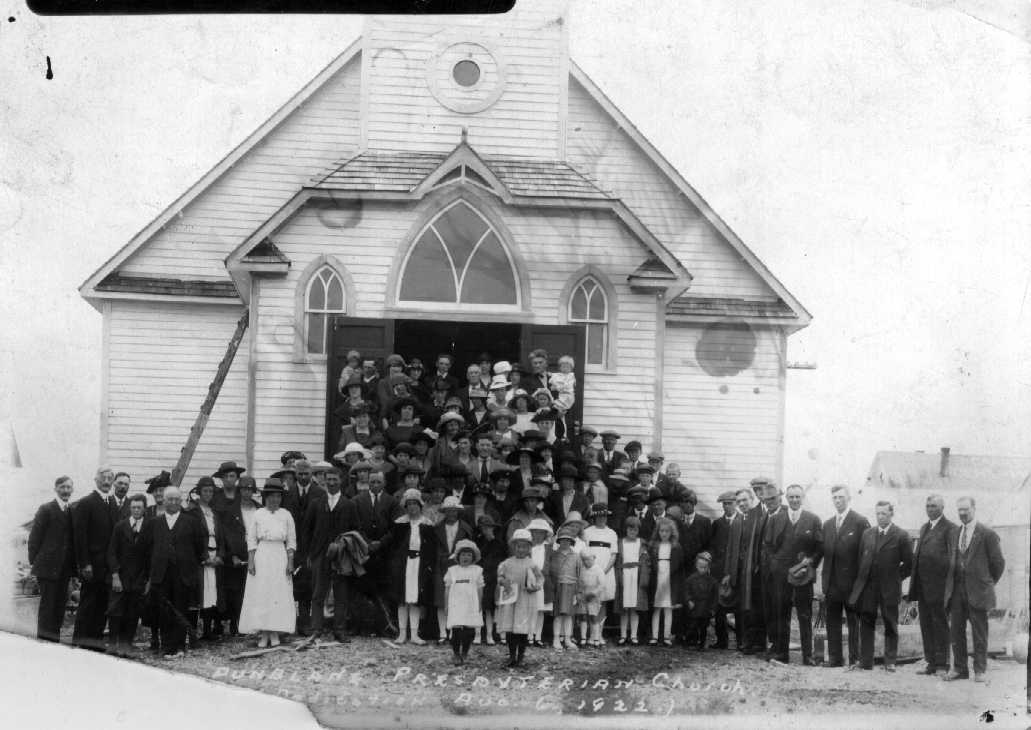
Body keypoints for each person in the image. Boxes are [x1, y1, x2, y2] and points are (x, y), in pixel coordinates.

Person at [943, 497, 1005, 683]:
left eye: (966, 510)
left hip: (978, 591)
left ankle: (980, 670)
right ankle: (960, 669)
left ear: (974, 509)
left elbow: (998, 563)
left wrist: (986, 583)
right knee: (956, 632)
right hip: (956, 592)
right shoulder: (954, 532)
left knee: (979, 632)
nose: (962, 513)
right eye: (960, 510)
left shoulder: (987, 534)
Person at [760, 484, 823, 665]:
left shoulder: (813, 519)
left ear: (802, 498)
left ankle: (807, 655)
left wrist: (810, 563)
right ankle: (782, 653)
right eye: (791, 497)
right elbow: (768, 546)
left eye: (798, 496)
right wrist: (776, 566)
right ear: (786, 498)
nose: (794, 500)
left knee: (804, 614)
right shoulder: (776, 519)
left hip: (803, 576)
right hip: (781, 577)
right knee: (782, 614)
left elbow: (820, 548)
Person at [848, 500, 913, 672]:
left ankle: (890, 661)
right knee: (866, 622)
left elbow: (909, 564)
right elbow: (861, 558)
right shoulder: (867, 534)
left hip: (889, 587)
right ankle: (866, 661)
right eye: (877, 513)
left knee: (890, 623)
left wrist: (895, 578)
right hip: (869, 587)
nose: (880, 517)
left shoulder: (901, 535)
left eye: (884, 513)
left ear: (891, 514)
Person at [145, 486, 207, 659]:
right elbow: (146, 548)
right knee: (164, 610)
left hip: (183, 574)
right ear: (163, 501)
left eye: (176, 499)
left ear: (181, 502)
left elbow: (199, 547)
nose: (172, 502)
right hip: (161, 574)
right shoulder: (154, 523)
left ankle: (180, 646)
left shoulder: (191, 522)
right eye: (169, 499)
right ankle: (167, 647)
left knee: (180, 609)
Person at [302, 467, 360, 643]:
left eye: (335, 479)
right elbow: (307, 531)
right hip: (320, 554)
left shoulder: (349, 504)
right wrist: (309, 554)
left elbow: (356, 530)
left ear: (340, 480)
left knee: (341, 594)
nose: (332, 483)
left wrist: (344, 545)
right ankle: (316, 629)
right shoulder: (316, 503)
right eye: (329, 479)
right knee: (318, 593)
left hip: (341, 556)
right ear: (324, 481)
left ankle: (339, 630)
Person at [238, 479, 297, 649]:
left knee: (277, 594)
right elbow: (251, 539)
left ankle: (275, 632)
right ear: (265, 497)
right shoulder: (258, 514)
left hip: (279, 555)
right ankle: (264, 633)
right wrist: (251, 560)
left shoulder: (286, 515)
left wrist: (290, 561)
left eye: (278, 496)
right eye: (271, 496)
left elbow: (291, 540)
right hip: (262, 555)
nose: (274, 500)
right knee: (262, 593)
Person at [820, 484, 870, 668]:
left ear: (849, 498)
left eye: (841, 497)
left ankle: (855, 659)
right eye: (835, 498)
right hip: (832, 584)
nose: (838, 500)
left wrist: (861, 584)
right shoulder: (827, 525)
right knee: (832, 621)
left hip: (852, 585)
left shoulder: (860, 521)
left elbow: (866, 555)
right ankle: (834, 658)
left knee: (853, 623)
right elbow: (822, 552)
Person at [908, 493, 957, 676]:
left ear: (942, 508)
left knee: (940, 625)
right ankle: (930, 662)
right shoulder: (924, 528)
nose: (930, 509)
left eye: (934, 506)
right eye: (928, 506)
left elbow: (952, 560)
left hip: (939, 588)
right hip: (922, 588)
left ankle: (942, 664)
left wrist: (948, 589)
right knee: (926, 625)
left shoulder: (950, 529)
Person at [71, 466, 118, 651]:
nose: (107, 482)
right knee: (88, 604)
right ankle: (80, 641)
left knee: (103, 605)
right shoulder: (87, 502)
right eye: (103, 478)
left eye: (109, 478)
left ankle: (96, 642)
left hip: (107, 566)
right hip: (92, 565)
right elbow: (80, 536)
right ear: (96, 480)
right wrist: (85, 563)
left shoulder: (112, 502)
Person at [383, 488, 437, 644]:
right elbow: (393, 547)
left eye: (415, 504)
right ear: (405, 506)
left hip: (419, 564)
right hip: (403, 564)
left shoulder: (427, 524)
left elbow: (431, 549)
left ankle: (414, 634)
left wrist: (428, 566)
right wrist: (395, 564)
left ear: (420, 505)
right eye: (409, 504)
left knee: (415, 598)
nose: (412, 507)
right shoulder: (400, 524)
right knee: (402, 598)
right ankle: (401, 633)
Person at [28, 475, 76, 643]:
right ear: (56, 489)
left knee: (59, 607)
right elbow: (34, 538)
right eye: (62, 487)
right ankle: (43, 642)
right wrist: (35, 562)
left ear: (72, 490)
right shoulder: (46, 509)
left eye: (68, 487)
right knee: (48, 607)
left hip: (64, 569)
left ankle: (54, 642)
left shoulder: (72, 511)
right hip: (47, 568)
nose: (65, 491)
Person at [724, 483, 767, 654]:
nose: (742, 504)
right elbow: (730, 549)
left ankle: (758, 643)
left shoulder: (760, 518)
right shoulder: (737, 521)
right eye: (739, 501)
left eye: (744, 500)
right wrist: (728, 572)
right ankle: (744, 641)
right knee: (741, 609)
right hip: (739, 572)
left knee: (756, 608)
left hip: (754, 572)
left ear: (752, 499)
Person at [105, 493, 149, 655]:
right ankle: (112, 644)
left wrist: (148, 580)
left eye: (139, 507)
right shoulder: (120, 526)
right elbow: (111, 553)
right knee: (116, 611)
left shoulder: (148, 527)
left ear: (144, 509)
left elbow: (151, 555)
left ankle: (126, 644)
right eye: (133, 507)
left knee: (132, 612)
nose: (136, 510)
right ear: (129, 508)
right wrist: (115, 575)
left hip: (139, 578)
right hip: (121, 577)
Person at [283, 458, 323, 636]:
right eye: (300, 474)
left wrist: (313, 551)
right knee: (288, 586)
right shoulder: (288, 493)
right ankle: (287, 622)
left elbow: (321, 524)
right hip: (291, 547)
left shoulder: (319, 493)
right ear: (296, 475)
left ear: (312, 474)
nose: (303, 477)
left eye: (306, 473)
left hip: (310, 548)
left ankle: (305, 623)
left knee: (307, 587)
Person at [497, 528, 542, 668]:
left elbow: (540, 579)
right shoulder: (507, 563)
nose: (521, 549)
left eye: (524, 547)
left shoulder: (532, 564)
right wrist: (502, 581)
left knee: (522, 629)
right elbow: (500, 576)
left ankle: (521, 656)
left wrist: (535, 587)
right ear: (513, 547)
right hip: (511, 599)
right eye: (518, 546)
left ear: (529, 548)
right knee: (510, 629)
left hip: (525, 599)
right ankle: (511, 656)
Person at [433, 496, 474, 643]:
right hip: (441, 565)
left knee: (457, 600)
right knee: (441, 599)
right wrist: (442, 558)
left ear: (458, 512)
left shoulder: (465, 528)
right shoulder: (437, 528)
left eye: (454, 511)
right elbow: (433, 548)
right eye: (448, 511)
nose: (451, 514)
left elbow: (470, 548)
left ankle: (454, 632)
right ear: (444, 512)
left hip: (459, 566)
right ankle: (442, 633)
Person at [217, 474, 252, 637]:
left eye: (250, 489)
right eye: (244, 489)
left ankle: (248, 623)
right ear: (240, 490)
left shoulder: (258, 508)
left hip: (253, 554)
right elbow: (225, 535)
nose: (247, 492)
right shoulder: (231, 510)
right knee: (234, 590)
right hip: (236, 556)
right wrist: (232, 556)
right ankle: (233, 623)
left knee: (249, 591)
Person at [192, 476, 225, 641]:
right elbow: (193, 538)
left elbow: (222, 538)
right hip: (202, 559)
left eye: (211, 491)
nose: (208, 494)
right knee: (201, 593)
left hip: (215, 556)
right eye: (205, 491)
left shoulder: (215, 513)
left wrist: (220, 556)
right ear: (199, 492)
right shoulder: (193, 511)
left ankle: (208, 630)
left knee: (213, 593)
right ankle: (195, 632)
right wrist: (204, 557)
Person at [444, 539, 484, 666]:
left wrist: (480, 605)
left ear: (473, 557)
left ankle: (465, 652)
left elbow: (480, 589)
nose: (465, 557)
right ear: (458, 556)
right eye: (463, 554)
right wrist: (446, 605)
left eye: (468, 555)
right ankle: (456, 653)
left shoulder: (477, 570)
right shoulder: (452, 571)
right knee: (456, 629)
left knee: (469, 629)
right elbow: (447, 589)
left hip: (471, 603)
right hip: (456, 603)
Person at [708, 491, 738, 649]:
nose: (727, 507)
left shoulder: (743, 521)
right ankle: (721, 641)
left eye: (730, 503)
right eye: (724, 504)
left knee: (739, 607)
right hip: (719, 571)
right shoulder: (718, 524)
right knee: (719, 608)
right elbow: (712, 547)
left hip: (737, 572)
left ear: (736, 504)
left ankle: (742, 641)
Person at [614, 515, 650, 646]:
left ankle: (634, 635)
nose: (632, 532)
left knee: (635, 607)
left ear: (638, 530)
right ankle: (623, 635)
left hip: (636, 576)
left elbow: (646, 562)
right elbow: (617, 562)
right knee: (624, 608)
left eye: (635, 530)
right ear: (626, 529)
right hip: (624, 575)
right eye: (630, 529)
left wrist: (644, 576)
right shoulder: (620, 542)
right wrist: (618, 576)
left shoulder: (642, 543)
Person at [648, 516, 683, 646]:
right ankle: (655, 636)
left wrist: (671, 576)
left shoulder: (675, 547)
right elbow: (651, 563)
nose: (664, 534)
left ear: (671, 532)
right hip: (657, 578)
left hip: (670, 579)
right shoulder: (654, 546)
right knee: (656, 608)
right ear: (658, 532)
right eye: (661, 531)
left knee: (668, 608)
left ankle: (667, 636)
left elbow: (679, 566)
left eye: (667, 531)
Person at [475, 515, 506, 645]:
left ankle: (489, 635)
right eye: (484, 527)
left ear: (493, 528)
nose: (486, 530)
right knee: (478, 607)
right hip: (479, 577)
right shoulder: (477, 542)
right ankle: (477, 634)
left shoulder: (499, 543)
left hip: (493, 578)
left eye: (489, 527)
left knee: (490, 608)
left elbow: (503, 561)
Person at [527, 517, 554, 647]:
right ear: (531, 533)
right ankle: (529, 636)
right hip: (530, 580)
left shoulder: (549, 548)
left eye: (541, 532)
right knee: (530, 609)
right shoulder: (527, 548)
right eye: (535, 532)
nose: (538, 535)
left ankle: (538, 636)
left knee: (541, 610)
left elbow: (551, 564)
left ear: (545, 534)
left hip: (544, 582)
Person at [684, 552, 719, 650]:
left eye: (705, 567)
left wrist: (713, 609)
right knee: (692, 626)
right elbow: (686, 591)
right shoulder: (690, 579)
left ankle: (701, 643)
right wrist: (689, 600)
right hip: (695, 607)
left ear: (708, 567)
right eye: (700, 567)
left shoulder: (713, 581)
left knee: (703, 627)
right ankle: (690, 642)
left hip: (706, 608)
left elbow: (715, 597)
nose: (702, 569)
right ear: (696, 566)